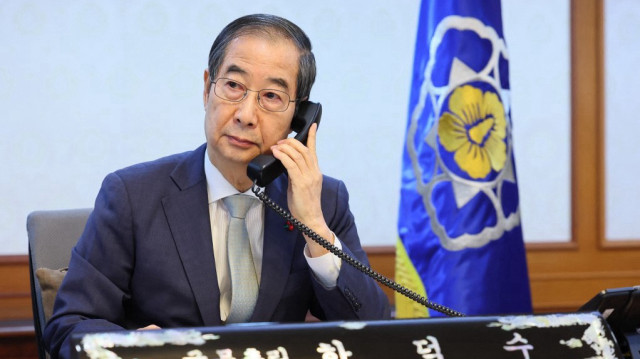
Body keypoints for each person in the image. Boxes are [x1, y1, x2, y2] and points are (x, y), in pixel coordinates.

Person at [43, 13, 390, 359]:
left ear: (300, 118)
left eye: (271, 96)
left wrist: (314, 227)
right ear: (207, 88)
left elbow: (376, 335)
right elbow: (69, 327)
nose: (245, 114)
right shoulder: (132, 195)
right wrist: (133, 348)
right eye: (233, 87)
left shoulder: (323, 201)